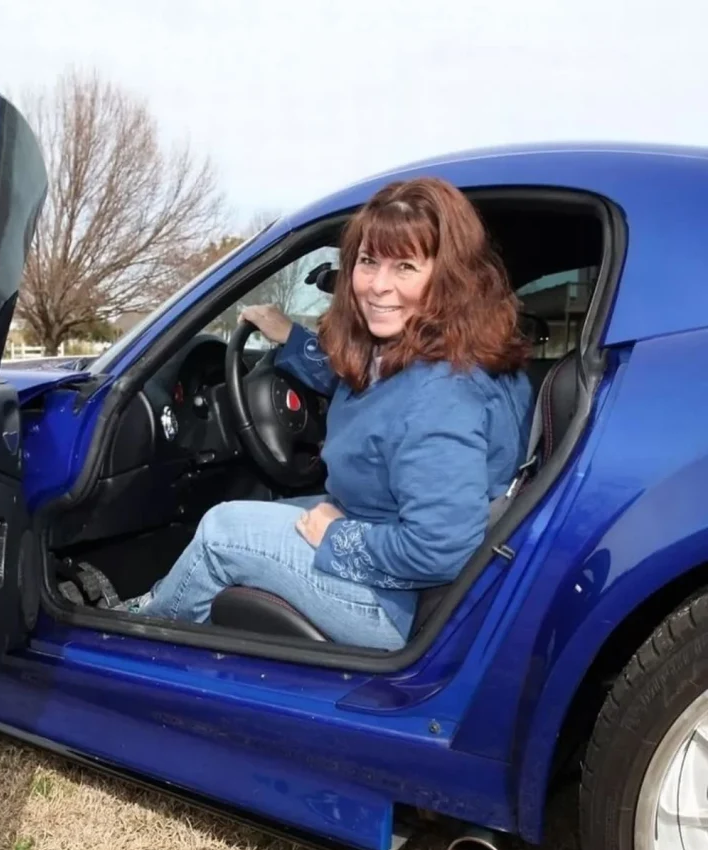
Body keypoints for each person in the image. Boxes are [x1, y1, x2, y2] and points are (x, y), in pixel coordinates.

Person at [117, 177, 533, 651]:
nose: (378, 285)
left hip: (398, 601)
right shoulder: (440, 354)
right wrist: (289, 338)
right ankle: (163, 602)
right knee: (265, 516)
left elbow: (440, 549)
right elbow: (358, 382)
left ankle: (141, 641)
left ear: (448, 276)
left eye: (406, 267)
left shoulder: (441, 394)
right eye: (368, 261)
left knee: (221, 531)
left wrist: (338, 536)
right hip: (387, 539)